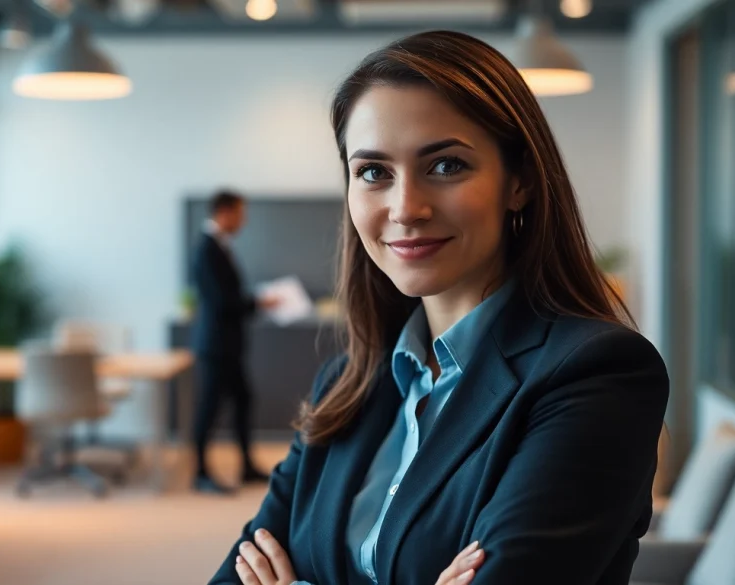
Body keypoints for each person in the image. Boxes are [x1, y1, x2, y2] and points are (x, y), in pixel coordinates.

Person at [209, 31, 668, 585]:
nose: (406, 208)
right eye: (374, 172)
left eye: (446, 165)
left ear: (518, 181)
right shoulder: (347, 383)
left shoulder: (597, 373)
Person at [192, 190, 279, 495]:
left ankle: (246, 466)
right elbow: (221, 301)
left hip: (228, 344)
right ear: (224, 212)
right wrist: (258, 303)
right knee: (209, 408)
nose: (243, 221)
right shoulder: (207, 249)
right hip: (216, 345)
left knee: (243, 401)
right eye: (240, 214)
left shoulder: (220, 246)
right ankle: (200, 473)